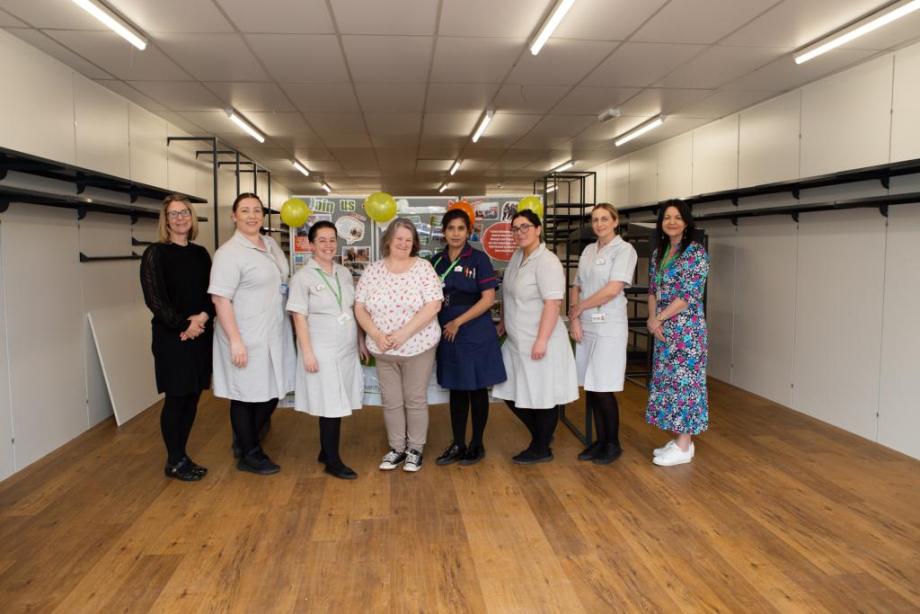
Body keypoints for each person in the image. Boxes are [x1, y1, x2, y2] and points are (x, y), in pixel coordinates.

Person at [209, 193, 295, 475]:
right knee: (245, 395)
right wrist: (235, 340)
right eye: (244, 210)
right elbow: (220, 299)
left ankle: (246, 440)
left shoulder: (269, 244)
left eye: (256, 210)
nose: (252, 215)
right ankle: (250, 453)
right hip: (244, 335)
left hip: (273, 332)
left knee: (270, 392)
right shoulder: (228, 254)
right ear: (234, 216)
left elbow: (283, 281)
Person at [354, 218, 443, 473]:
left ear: (414, 242)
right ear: (388, 241)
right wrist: (376, 334)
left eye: (408, 239)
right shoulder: (373, 270)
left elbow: (433, 305)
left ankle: (415, 450)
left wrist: (403, 334)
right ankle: (396, 448)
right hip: (383, 349)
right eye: (399, 239)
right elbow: (359, 306)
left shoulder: (423, 268)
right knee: (391, 400)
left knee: (414, 399)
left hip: (418, 346)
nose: (403, 243)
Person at [492, 209, 578, 464]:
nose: (520, 232)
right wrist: (505, 323)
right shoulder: (517, 257)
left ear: (538, 229)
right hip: (518, 340)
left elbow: (553, 304)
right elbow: (508, 295)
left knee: (542, 396)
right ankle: (542, 436)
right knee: (508, 390)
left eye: (525, 227)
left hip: (542, 340)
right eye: (516, 228)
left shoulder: (547, 261)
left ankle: (541, 447)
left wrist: (541, 340)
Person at [140, 195, 213, 481]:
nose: (180, 218)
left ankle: (182, 455)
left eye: (185, 213)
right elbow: (154, 299)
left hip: (200, 334)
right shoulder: (155, 253)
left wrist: (202, 319)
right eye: (174, 214)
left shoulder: (200, 253)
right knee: (176, 397)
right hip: (172, 338)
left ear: (192, 217)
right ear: (166, 220)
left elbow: (211, 293)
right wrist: (184, 325)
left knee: (193, 397)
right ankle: (174, 460)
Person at [287, 221, 366, 480]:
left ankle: (325, 451)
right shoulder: (302, 277)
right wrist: (307, 353)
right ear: (311, 245)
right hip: (321, 349)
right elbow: (299, 317)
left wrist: (359, 342)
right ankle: (332, 460)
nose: (328, 245)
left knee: (339, 400)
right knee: (331, 403)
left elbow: (351, 310)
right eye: (321, 240)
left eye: (332, 240)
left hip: (345, 348)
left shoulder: (343, 273)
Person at [431, 209, 506, 466]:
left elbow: (488, 299)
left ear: (468, 231)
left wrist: (458, 322)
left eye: (460, 228)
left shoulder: (479, 259)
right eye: (450, 228)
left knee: (475, 388)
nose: (455, 233)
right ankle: (458, 443)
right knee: (457, 388)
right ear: (444, 232)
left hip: (473, 330)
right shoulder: (436, 261)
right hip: (447, 331)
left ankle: (477, 444)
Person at [568, 203, 637, 465]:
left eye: (604, 219)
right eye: (595, 220)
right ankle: (599, 441)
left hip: (609, 325)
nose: (599, 224)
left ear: (615, 221)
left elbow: (612, 289)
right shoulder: (587, 250)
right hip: (587, 325)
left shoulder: (624, 250)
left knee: (604, 387)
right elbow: (577, 285)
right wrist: (575, 319)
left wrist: (578, 309)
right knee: (592, 387)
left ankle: (613, 444)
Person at [646, 199, 710, 467]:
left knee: (686, 386)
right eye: (667, 217)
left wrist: (658, 318)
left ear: (686, 222)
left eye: (677, 217)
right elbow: (652, 290)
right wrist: (653, 319)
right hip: (663, 329)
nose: (671, 222)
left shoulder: (696, 253)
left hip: (687, 331)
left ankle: (684, 445)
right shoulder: (659, 253)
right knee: (668, 384)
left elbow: (688, 295)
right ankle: (681, 440)